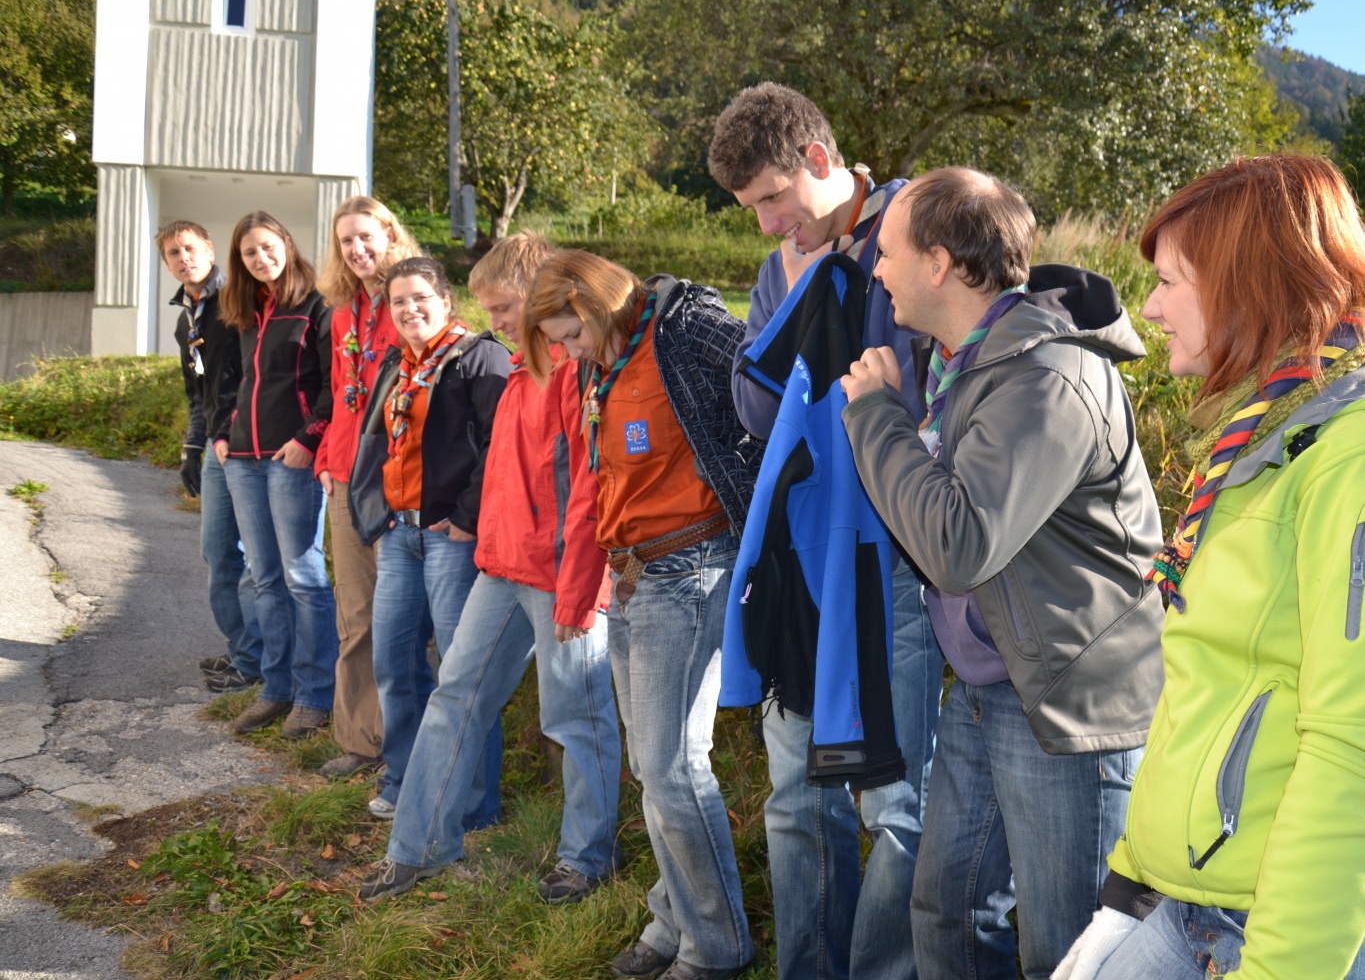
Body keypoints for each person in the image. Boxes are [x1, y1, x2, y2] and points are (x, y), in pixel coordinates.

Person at [1053, 155, 1365, 980]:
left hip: (1321, 937)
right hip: (1194, 909)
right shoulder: (1263, 445)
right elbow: (1210, 687)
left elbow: (1362, 759)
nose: (1148, 305)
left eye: (1172, 279)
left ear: (1251, 284)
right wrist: (1129, 884)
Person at [838, 167, 1165, 980]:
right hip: (993, 685)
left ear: (940, 262)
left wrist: (876, 419)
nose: (874, 270)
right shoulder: (968, 362)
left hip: (1066, 703)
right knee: (946, 910)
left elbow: (958, 543)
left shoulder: (1046, 377)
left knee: (1070, 946)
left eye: (886, 253)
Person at [706, 81, 941, 980]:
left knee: (894, 805)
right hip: (802, 564)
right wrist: (805, 298)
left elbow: (936, 399)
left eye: (772, 197)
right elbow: (757, 413)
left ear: (816, 160)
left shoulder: (922, 227)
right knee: (799, 799)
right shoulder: (782, 270)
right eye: (750, 209)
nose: (767, 225)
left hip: (898, 569)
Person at [357, 232, 622, 907]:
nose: (494, 321)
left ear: (543, 293)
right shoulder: (518, 367)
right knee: (455, 697)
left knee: (577, 717)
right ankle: (418, 850)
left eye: (503, 307)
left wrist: (581, 588)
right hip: (502, 568)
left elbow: (591, 490)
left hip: (563, 576)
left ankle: (585, 858)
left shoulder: (579, 370)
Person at [522, 250, 761, 980]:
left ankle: (716, 948)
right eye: (558, 342)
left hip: (689, 571)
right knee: (650, 767)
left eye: (571, 334)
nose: (567, 352)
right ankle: (674, 918)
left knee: (672, 766)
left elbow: (769, 405)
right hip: (631, 579)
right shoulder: (603, 364)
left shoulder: (688, 331)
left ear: (601, 304)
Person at [345, 256, 511, 824]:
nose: (410, 309)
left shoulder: (479, 356)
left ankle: (472, 805)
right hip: (400, 535)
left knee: (460, 674)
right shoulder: (400, 363)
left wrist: (466, 516)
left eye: (420, 297)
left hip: (451, 539)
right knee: (395, 664)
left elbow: (498, 445)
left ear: (445, 299)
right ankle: (405, 782)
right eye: (398, 302)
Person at [213, 211, 339, 738]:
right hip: (242, 459)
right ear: (239, 262)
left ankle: (314, 696)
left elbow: (335, 384)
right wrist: (223, 432)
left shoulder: (317, 305)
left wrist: (308, 439)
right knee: (264, 578)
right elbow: (230, 381)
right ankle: (276, 688)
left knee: (303, 577)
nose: (261, 258)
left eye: (268, 247)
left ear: (286, 244)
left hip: (292, 458)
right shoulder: (245, 311)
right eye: (249, 253)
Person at [312, 196, 421, 779]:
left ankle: (408, 745)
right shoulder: (341, 313)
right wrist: (328, 460)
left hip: (397, 481)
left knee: (402, 618)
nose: (357, 249)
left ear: (390, 234)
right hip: (344, 480)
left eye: (366, 237)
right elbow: (337, 394)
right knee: (354, 613)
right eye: (346, 241)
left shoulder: (411, 298)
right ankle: (360, 740)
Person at [159, 219, 264, 694]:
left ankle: (255, 661)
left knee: (252, 561)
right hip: (218, 448)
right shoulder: (188, 319)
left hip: (249, 446)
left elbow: (256, 376)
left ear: (210, 250)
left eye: (190, 248)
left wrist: (230, 434)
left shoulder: (238, 301)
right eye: (173, 254)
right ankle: (243, 652)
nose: (184, 258)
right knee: (218, 553)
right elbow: (198, 394)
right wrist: (191, 445)